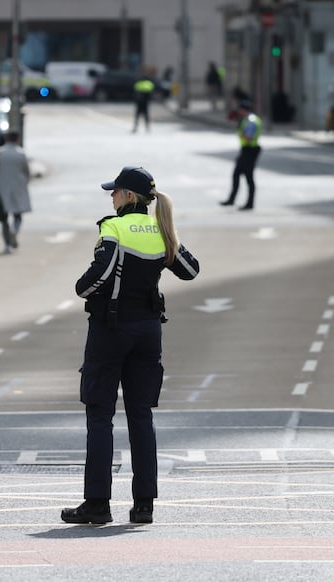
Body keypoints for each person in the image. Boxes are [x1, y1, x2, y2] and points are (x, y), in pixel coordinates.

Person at [62, 166, 201, 525]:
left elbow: (101, 273)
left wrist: (81, 288)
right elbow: (190, 269)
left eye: (115, 191)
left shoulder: (113, 227)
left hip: (111, 329)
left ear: (128, 197)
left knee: (100, 414)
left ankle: (97, 503)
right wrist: (169, 241)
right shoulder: (160, 228)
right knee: (141, 416)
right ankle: (144, 505)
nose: (111, 197)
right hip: (148, 332)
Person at [0, 132, 31, 253]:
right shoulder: (21, 153)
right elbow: (27, 171)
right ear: (17, 139)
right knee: (18, 216)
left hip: (2, 188)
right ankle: (14, 231)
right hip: (18, 188)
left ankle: (7, 245)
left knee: (4, 218)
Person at [219, 100, 262, 211]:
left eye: (240, 109)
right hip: (246, 150)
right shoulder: (247, 119)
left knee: (248, 177)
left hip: (250, 150)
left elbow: (248, 137)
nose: (238, 112)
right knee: (237, 174)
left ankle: (249, 203)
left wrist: (241, 132)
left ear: (244, 110)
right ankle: (232, 199)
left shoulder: (251, 121)